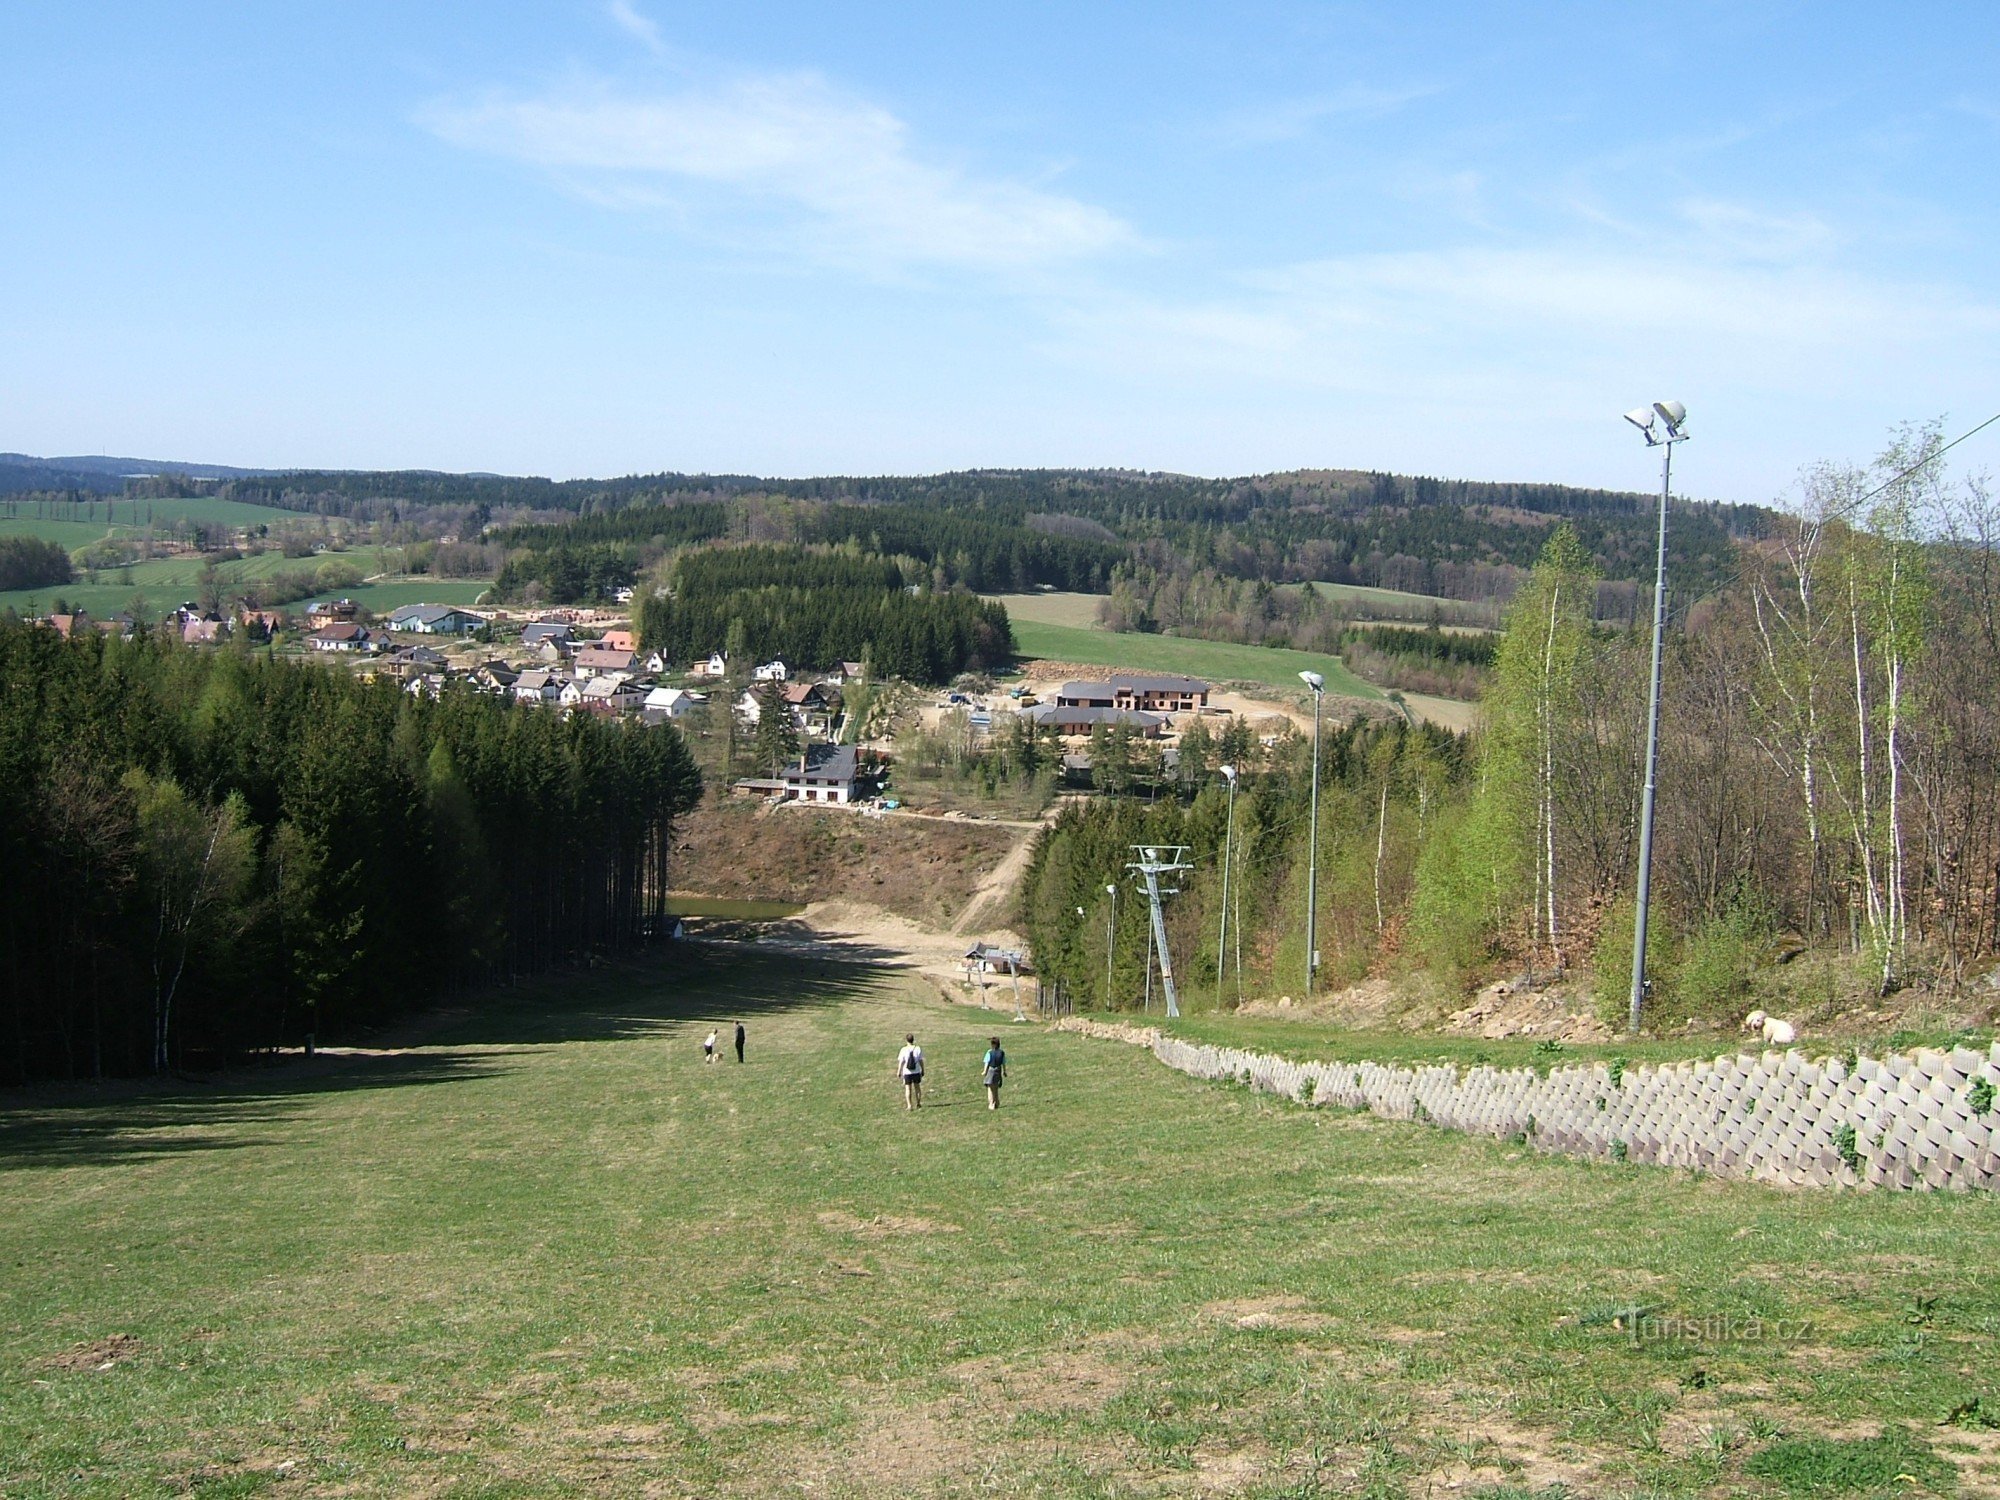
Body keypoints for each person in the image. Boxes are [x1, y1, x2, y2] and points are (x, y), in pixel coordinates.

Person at [895, 1033, 925, 1110]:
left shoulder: (903, 1049)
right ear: (913, 1040)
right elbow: (921, 1060)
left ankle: (909, 1105)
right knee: (917, 1088)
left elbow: (901, 1061)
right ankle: (918, 1103)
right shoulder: (918, 1048)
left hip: (907, 1072)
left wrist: (899, 1071)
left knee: (908, 1089)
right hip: (916, 1071)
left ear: (906, 1040)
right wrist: (922, 1069)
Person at [982, 1036, 1007, 1111]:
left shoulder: (989, 1052)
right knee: (996, 1088)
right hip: (998, 1070)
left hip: (991, 1070)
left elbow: (987, 1062)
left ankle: (991, 1103)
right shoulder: (1002, 1052)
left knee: (990, 1088)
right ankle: (997, 1102)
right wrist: (1004, 1071)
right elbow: (1003, 1063)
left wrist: (984, 1071)